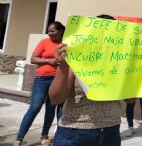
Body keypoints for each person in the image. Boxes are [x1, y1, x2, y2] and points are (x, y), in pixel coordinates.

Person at [49, 15, 122, 146]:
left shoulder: (121, 62)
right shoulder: (76, 58)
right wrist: (64, 65)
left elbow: (131, 99)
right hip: (75, 132)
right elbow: (56, 99)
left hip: (111, 132)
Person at [14, 21, 65, 146]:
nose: (50, 33)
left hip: (57, 80)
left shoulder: (65, 44)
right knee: (35, 107)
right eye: (49, 31)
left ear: (61, 31)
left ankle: (44, 136)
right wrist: (50, 61)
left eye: (53, 31)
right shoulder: (44, 42)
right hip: (41, 80)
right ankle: (19, 138)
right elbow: (33, 59)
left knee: (50, 109)